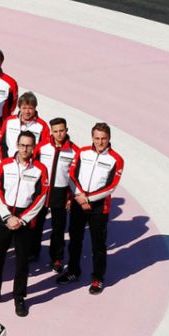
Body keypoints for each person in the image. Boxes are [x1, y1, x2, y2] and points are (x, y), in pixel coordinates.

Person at [58, 122, 124, 294]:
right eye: (97, 138)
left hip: (99, 207)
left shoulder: (116, 159)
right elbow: (71, 175)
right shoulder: (82, 152)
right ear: (92, 138)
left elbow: (111, 187)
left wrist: (88, 199)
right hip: (79, 203)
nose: (100, 142)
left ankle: (97, 278)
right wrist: (80, 196)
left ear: (109, 138)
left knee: (98, 245)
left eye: (103, 139)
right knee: (75, 240)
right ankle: (73, 271)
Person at [0, 132, 49, 316]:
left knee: (22, 262)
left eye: (29, 146)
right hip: (4, 218)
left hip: (25, 221)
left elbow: (42, 196)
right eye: (22, 145)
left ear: (34, 147)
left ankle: (19, 297)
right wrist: (7, 217)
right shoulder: (4, 165)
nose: (25, 149)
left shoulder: (40, 169)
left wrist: (22, 219)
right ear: (17, 144)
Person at [34, 117, 78, 272]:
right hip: (42, 191)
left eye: (62, 130)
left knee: (58, 228)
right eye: (55, 131)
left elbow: (75, 177)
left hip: (61, 192)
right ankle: (33, 252)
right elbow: (34, 167)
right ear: (51, 132)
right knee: (36, 224)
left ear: (66, 130)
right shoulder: (42, 147)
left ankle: (57, 258)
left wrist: (71, 197)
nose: (59, 134)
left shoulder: (74, 151)